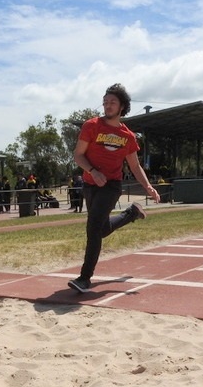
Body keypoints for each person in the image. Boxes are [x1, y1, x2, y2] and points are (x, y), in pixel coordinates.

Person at [67, 83, 160, 293]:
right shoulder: (91, 126)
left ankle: (84, 278)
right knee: (100, 229)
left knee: (93, 229)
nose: (107, 106)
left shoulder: (128, 137)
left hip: (111, 186)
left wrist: (148, 186)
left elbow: (135, 166)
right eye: (105, 102)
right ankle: (131, 213)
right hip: (91, 184)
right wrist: (93, 171)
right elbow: (78, 155)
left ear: (122, 107)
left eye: (112, 102)